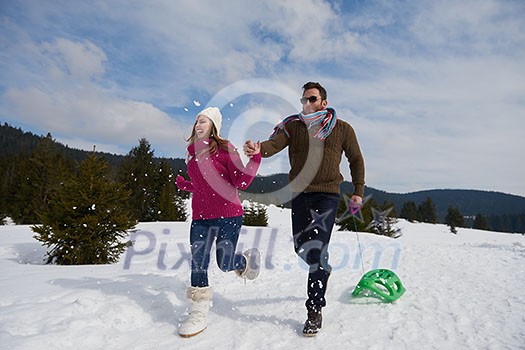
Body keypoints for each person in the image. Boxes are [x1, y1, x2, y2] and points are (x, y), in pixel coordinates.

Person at [244, 82, 365, 336]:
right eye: (303, 100)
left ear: (323, 102)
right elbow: (274, 144)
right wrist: (259, 149)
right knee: (301, 247)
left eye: (311, 99)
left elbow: (356, 159)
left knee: (317, 250)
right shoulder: (294, 127)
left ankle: (314, 309)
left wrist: (358, 191)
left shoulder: (342, 129)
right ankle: (323, 268)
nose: (306, 104)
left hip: (327, 196)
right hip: (299, 195)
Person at [176, 106, 262, 337]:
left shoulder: (225, 150)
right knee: (198, 262)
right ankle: (197, 313)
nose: (198, 125)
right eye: (196, 120)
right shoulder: (192, 154)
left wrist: (255, 159)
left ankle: (243, 263)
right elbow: (204, 184)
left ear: (214, 127)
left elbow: (241, 182)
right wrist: (186, 185)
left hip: (228, 216)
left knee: (225, 263)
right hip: (201, 218)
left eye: (203, 121)